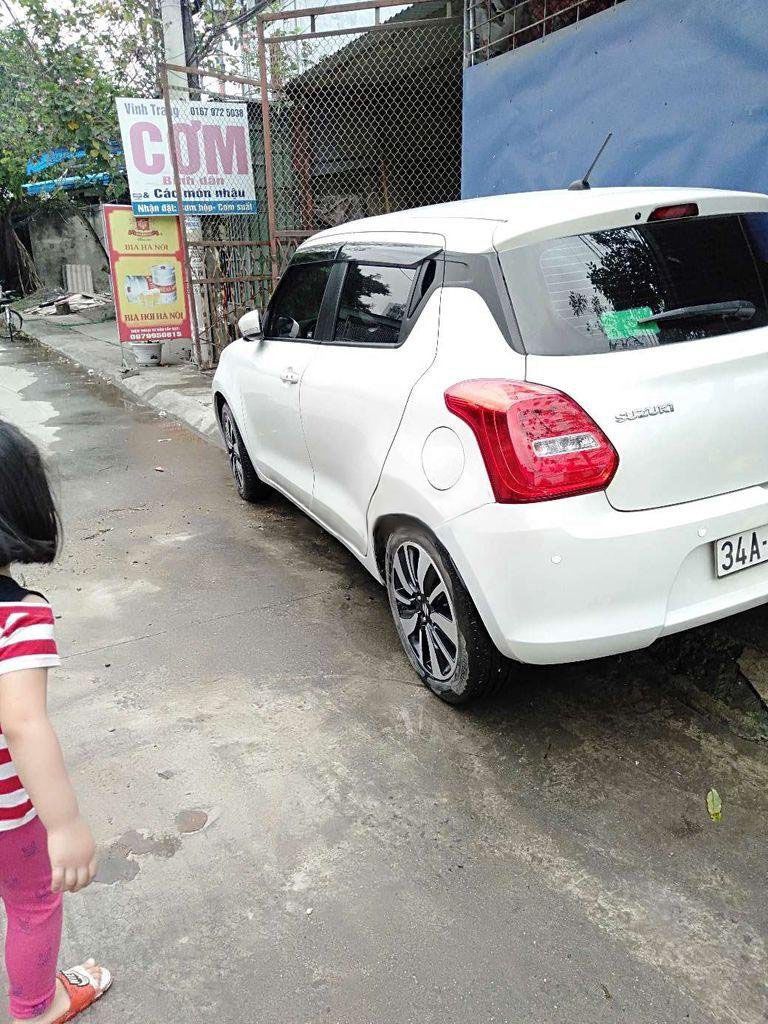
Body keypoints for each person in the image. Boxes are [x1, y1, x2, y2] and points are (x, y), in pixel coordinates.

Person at [0, 420, 111, 1023]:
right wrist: (64, 824)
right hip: (6, 817)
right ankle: (36, 1009)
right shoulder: (16, 620)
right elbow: (21, 723)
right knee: (33, 905)